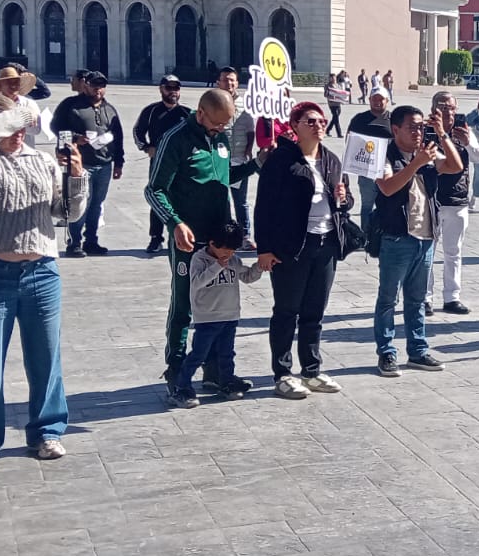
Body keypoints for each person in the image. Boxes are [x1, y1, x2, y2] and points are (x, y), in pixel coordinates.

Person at [0, 102, 89, 468]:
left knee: (46, 357)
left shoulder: (43, 161)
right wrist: (26, 109)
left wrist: (77, 176)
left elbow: (66, 214)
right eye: (7, 125)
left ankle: (48, 431)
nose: (16, 132)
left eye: (21, 126)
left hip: (41, 271)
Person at [145, 89, 257, 390]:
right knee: (185, 303)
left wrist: (257, 164)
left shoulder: (219, 138)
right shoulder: (176, 139)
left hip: (219, 239)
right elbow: (154, 190)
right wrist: (175, 223)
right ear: (200, 113)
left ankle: (216, 369)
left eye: (226, 125)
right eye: (217, 124)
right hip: (188, 241)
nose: (221, 130)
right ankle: (176, 369)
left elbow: (224, 177)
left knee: (219, 304)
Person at [253, 101, 354, 399]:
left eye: (321, 120)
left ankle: (311, 369)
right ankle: (283, 373)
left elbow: (346, 205)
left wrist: (344, 199)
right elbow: (264, 207)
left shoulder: (332, 160)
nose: (318, 125)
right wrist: (264, 249)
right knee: (286, 311)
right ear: (295, 125)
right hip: (291, 246)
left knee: (314, 311)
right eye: (310, 120)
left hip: (325, 244)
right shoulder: (281, 160)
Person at [373, 105, 461, 376]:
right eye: (412, 126)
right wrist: (416, 163)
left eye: (422, 126)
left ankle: (418, 350)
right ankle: (387, 352)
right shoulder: (385, 154)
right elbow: (387, 187)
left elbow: (456, 166)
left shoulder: (427, 152)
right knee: (388, 299)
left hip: (426, 237)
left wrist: (443, 134)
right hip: (397, 238)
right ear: (395, 129)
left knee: (417, 299)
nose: (418, 131)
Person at [167, 219, 262, 408]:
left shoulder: (233, 259)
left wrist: (260, 266)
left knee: (227, 353)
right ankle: (181, 386)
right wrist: (217, 265)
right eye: (225, 250)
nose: (229, 254)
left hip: (230, 315)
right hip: (207, 318)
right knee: (198, 354)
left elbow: (247, 276)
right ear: (212, 243)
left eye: (233, 250)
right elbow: (197, 283)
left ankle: (226, 382)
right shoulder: (199, 259)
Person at [50, 72, 124, 257]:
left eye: (101, 86)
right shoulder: (71, 105)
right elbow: (55, 127)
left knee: (96, 205)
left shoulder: (110, 109)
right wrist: (76, 138)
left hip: (104, 164)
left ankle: (92, 241)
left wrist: (119, 162)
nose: (98, 89)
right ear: (85, 86)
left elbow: (118, 137)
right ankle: (74, 243)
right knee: (79, 203)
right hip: (81, 165)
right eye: (94, 85)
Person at [430, 90, 479, 315]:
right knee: (427, 253)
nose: (448, 111)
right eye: (442, 106)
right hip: (431, 200)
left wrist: (468, 143)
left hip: (457, 201)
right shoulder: (424, 129)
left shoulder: (464, 129)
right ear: (434, 108)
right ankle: (425, 297)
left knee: (454, 252)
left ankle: (452, 297)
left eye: (451, 106)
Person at [133, 76, 193, 253]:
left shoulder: (187, 114)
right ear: (161, 89)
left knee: (183, 197)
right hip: (159, 163)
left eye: (176, 88)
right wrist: (146, 147)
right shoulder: (151, 111)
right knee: (158, 196)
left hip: (182, 165)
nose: (173, 92)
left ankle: (184, 234)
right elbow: (137, 131)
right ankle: (156, 237)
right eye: (169, 88)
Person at [214, 68, 259, 249]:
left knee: (240, 200)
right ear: (219, 82)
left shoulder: (245, 105)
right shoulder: (213, 102)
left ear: (237, 83)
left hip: (240, 159)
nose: (229, 83)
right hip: (218, 161)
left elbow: (250, 129)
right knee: (220, 199)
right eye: (225, 80)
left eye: (232, 80)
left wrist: (249, 148)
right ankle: (223, 234)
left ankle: (245, 235)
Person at [347, 90, 393, 229]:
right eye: (374, 99)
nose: (378, 102)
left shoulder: (394, 119)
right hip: (366, 169)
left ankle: (384, 234)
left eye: (381, 99)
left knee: (389, 203)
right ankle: (365, 236)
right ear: (369, 99)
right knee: (367, 204)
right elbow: (349, 141)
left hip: (389, 169)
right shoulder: (359, 119)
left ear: (387, 100)